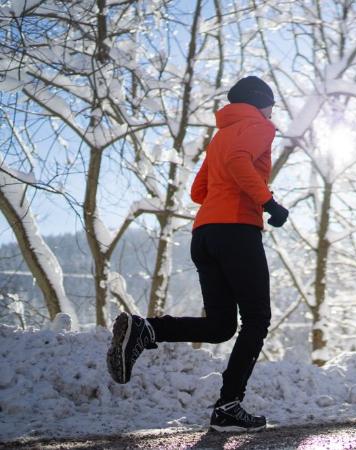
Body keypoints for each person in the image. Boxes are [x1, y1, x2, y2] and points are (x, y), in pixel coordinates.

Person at [106, 76, 289, 432]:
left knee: (221, 326)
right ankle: (228, 406)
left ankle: (146, 330)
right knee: (257, 318)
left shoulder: (221, 135)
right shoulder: (259, 127)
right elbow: (238, 163)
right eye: (270, 104)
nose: (272, 111)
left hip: (205, 234)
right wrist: (268, 201)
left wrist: (233, 196)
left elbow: (198, 190)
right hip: (237, 232)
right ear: (258, 102)